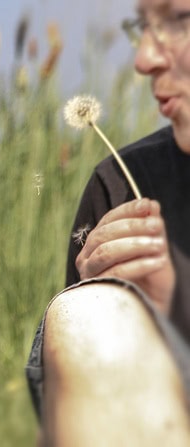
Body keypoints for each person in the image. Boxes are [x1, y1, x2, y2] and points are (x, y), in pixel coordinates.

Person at [26, 1, 190, 444]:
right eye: (144, 27)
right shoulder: (123, 182)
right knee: (89, 315)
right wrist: (140, 314)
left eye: (181, 19)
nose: (144, 59)